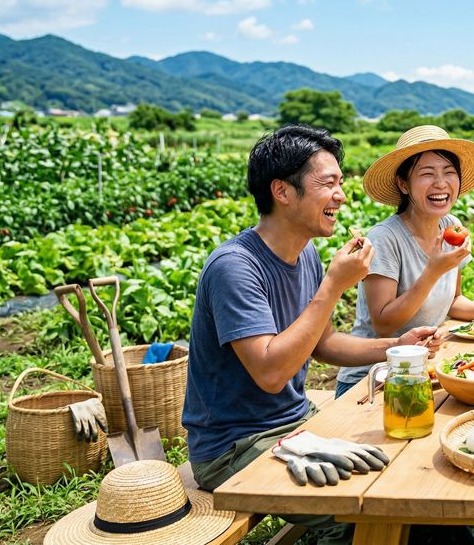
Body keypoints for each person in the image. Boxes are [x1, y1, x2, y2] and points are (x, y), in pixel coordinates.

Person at [182, 125, 439, 545]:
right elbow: (270, 372)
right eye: (328, 183)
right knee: (357, 512)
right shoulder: (234, 267)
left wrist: (396, 346)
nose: (340, 195)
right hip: (234, 445)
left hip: (296, 423)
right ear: (282, 191)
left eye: (340, 183)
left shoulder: (305, 257)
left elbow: (323, 344)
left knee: (407, 471)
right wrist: (334, 286)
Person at [336, 125, 474, 398]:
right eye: (427, 174)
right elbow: (384, 323)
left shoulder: (451, 227)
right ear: (403, 184)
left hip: (421, 371)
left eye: (449, 173)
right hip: (371, 380)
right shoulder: (386, 238)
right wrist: (433, 271)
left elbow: (453, 300)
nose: (441, 183)